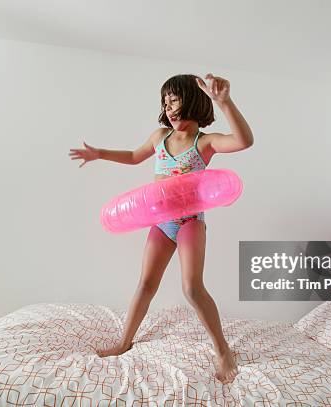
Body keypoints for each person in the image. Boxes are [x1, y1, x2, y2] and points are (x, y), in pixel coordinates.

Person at [68, 73, 253, 384]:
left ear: (192, 101)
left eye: (174, 100)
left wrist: (225, 102)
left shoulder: (203, 142)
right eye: (165, 102)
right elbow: (133, 156)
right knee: (145, 285)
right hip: (161, 223)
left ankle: (223, 351)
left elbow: (244, 141)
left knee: (192, 288)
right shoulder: (159, 138)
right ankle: (124, 341)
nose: (168, 108)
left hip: (190, 222)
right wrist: (100, 153)